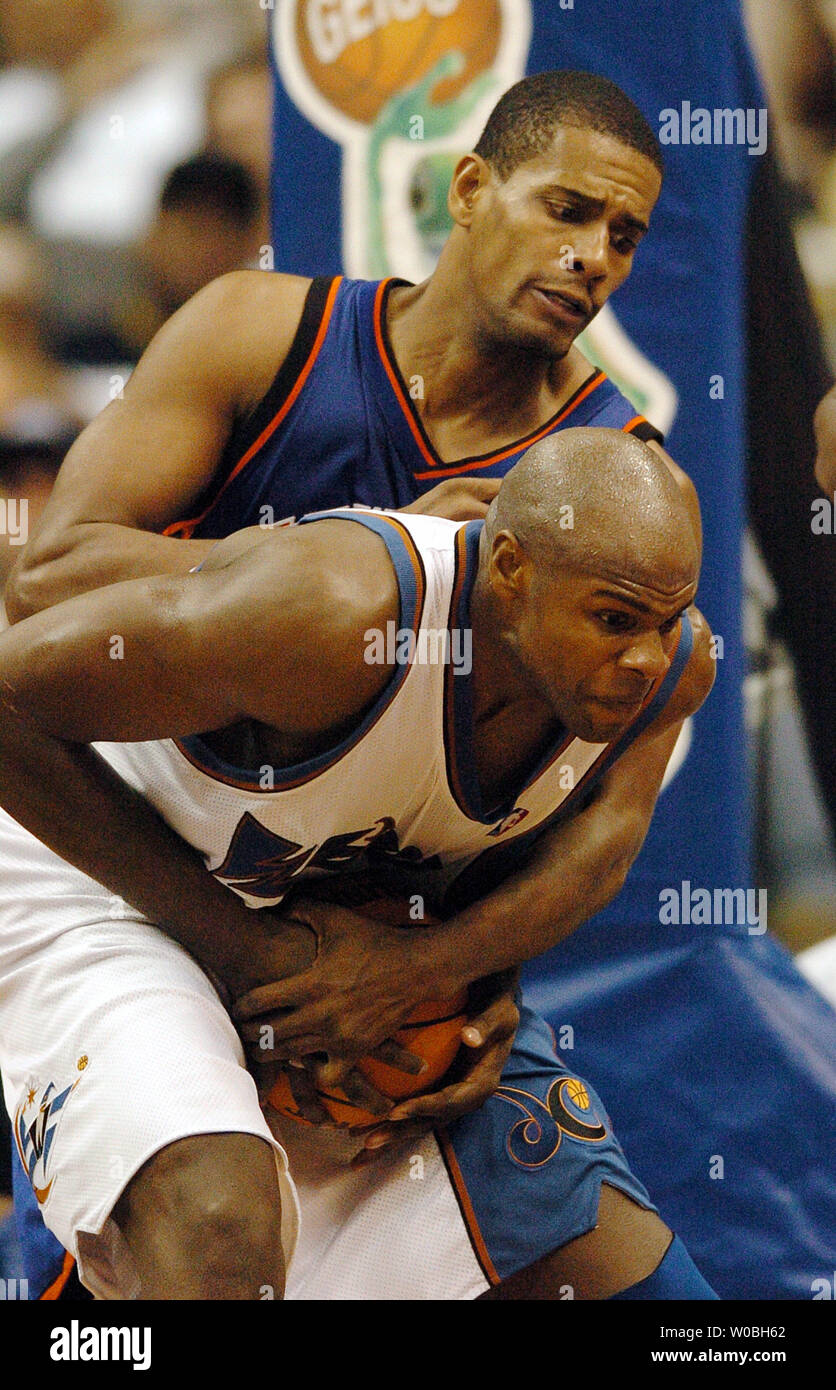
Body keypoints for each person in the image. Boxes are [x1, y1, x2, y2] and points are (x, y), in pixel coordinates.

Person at [0, 432, 717, 1300]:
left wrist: (450, 968)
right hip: (94, 877)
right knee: (216, 1230)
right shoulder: (330, 612)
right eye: (615, 619)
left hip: (325, 917)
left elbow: (595, 848)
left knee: (631, 1278)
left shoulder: (668, 671)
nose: (646, 655)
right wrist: (251, 956)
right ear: (513, 571)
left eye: (668, 618)